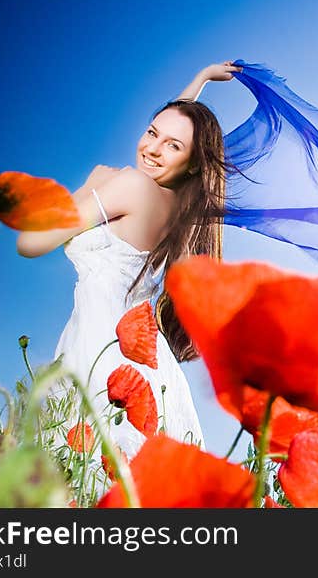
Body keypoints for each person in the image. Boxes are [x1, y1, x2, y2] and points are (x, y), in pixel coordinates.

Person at [16, 61, 242, 460]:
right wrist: (199, 82)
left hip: (101, 354)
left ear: (190, 162)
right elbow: (171, 144)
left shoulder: (131, 187)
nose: (152, 148)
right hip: (146, 367)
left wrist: (89, 185)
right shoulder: (182, 213)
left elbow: (31, 241)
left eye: (172, 145)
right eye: (152, 132)